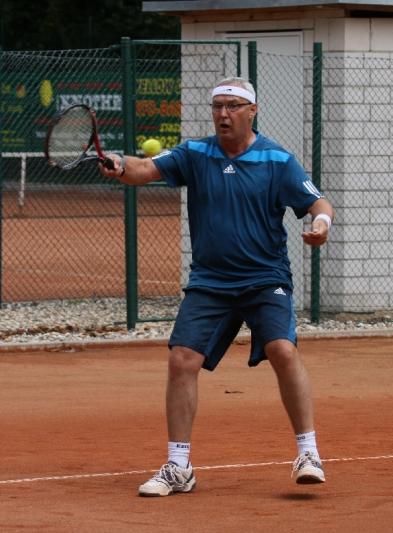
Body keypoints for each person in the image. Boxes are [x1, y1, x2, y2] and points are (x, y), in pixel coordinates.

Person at [99, 77, 335, 497]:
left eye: (232, 106)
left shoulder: (277, 160)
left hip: (265, 278)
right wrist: (120, 164)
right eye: (217, 106)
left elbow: (317, 202)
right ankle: (178, 467)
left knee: (283, 350)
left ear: (252, 111)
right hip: (211, 281)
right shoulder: (195, 153)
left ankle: (308, 454)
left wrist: (320, 223)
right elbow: (145, 169)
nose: (223, 114)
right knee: (181, 360)